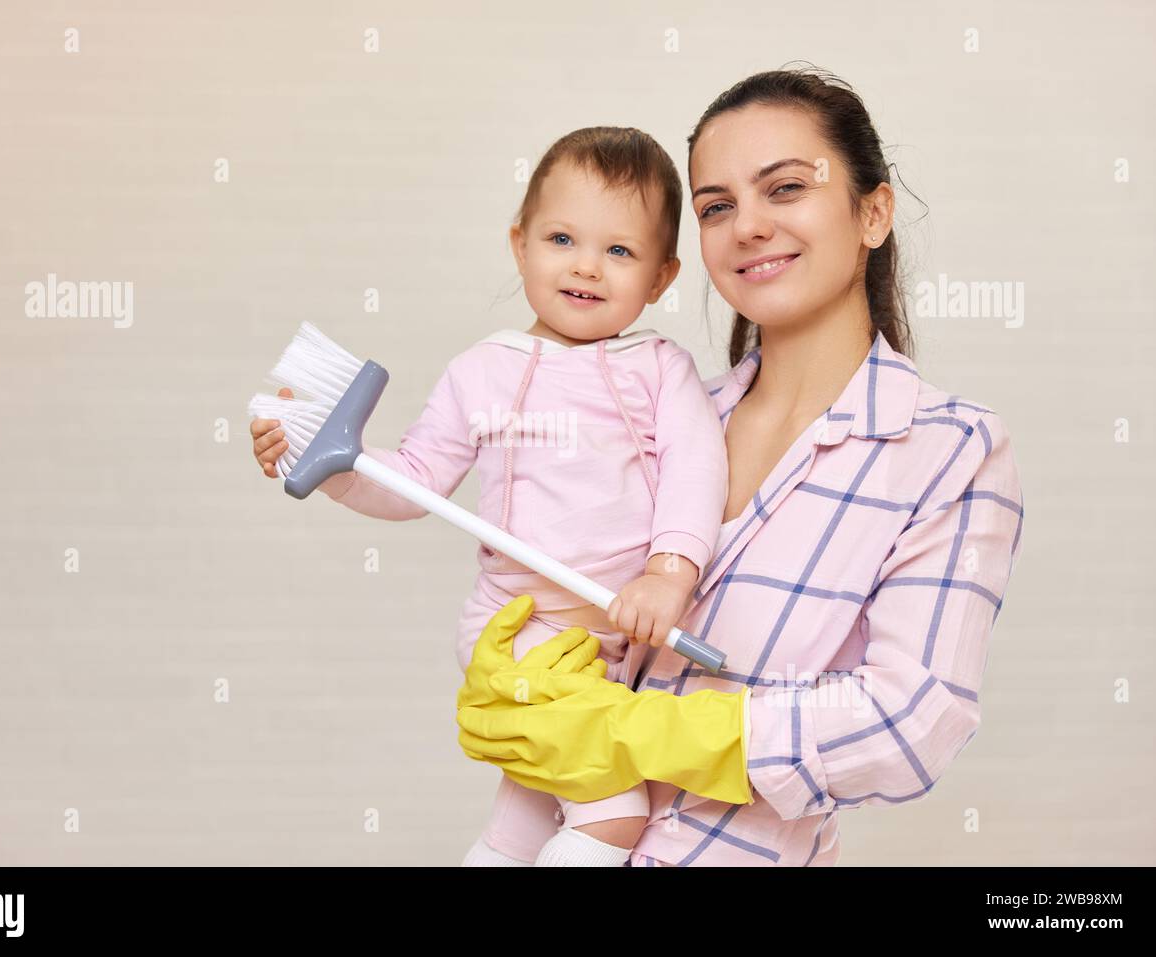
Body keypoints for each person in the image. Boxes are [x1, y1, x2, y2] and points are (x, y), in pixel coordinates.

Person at [456, 66, 1026, 866]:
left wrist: (653, 732)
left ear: (873, 211)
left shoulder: (944, 447)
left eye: (785, 188)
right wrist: (517, 677)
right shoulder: (663, 421)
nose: (747, 226)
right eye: (717, 206)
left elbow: (911, 720)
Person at [250, 127, 731, 865]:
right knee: (613, 814)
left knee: (523, 826)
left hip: (606, 646)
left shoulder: (660, 369)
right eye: (562, 238)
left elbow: (698, 467)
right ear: (520, 244)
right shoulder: (484, 371)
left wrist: (671, 570)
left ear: (662, 277)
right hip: (519, 635)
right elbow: (410, 480)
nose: (585, 267)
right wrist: (336, 468)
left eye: (619, 251)